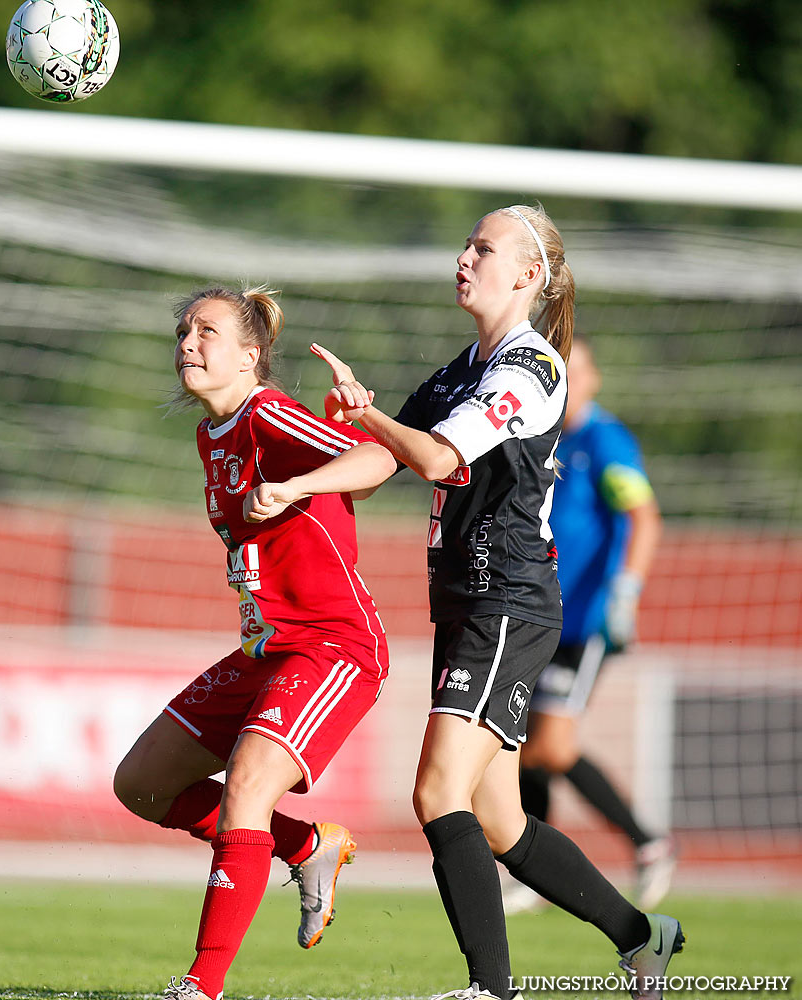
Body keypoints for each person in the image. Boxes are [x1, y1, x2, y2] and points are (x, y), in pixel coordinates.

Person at [287, 205, 684, 1000]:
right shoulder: (457, 371)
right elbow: (380, 459)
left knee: (437, 792)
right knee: (499, 822)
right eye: (465, 244)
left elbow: (434, 457)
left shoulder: (531, 368)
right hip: (467, 603)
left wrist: (368, 414)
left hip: (509, 600)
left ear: (527, 275)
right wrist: (295, 480)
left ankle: (489, 990)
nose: (463, 257)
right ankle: (645, 937)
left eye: (483, 247)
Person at [113, 285, 398, 1000]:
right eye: (182, 330)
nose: (186, 342)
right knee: (142, 785)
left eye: (205, 331)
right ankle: (306, 846)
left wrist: (300, 481)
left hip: (332, 643)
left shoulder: (267, 410)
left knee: (244, 784)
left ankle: (199, 988)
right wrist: (310, 480)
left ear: (249, 357)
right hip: (266, 647)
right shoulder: (212, 433)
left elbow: (377, 464)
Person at [507, 336, 674, 916]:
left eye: (575, 370)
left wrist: (625, 593)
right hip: (541, 618)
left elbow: (642, 517)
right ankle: (533, 871)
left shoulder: (605, 440)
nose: (567, 380)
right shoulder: (547, 439)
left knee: (551, 745)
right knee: (525, 745)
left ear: (595, 378)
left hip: (586, 620)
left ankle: (647, 844)